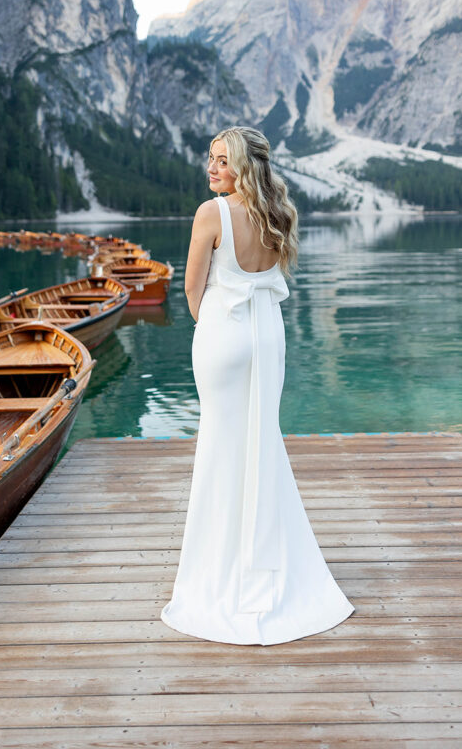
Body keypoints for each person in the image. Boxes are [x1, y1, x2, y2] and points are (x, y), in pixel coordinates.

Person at [160, 126, 355, 644]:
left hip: (226, 337)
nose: (211, 168)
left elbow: (192, 287)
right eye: (210, 158)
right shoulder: (276, 213)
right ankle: (266, 566)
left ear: (244, 166)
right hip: (268, 337)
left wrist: (211, 330)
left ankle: (219, 573)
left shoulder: (212, 213)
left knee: (222, 449)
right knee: (261, 444)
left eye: (222, 160)